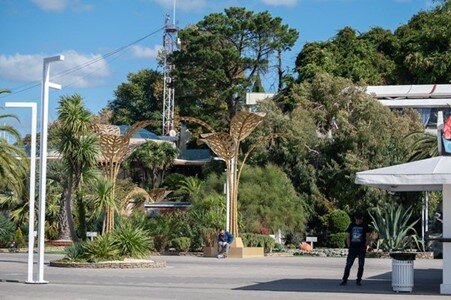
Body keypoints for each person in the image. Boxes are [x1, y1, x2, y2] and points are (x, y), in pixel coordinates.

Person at [340, 212, 372, 286]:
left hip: (361, 248)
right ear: (355, 218)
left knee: (361, 265)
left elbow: (368, 237)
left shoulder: (365, 226)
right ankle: (344, 279)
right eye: (357, 219)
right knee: (348, 265)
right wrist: (349, 246)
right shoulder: (351, 225)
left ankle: (358, 280)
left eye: (359, 219)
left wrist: (367, 245)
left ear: (362, 219)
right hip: (353, 248)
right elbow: (347, 236)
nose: (358, 221)